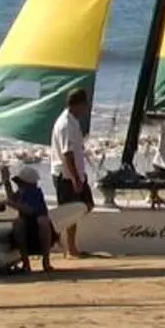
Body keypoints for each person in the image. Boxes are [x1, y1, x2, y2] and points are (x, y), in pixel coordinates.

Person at [50, 89, 94, 260]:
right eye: (85, 105)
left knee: (87, 205)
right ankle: (69, 247)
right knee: (70, 211)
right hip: (66, 175)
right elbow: (67, 153)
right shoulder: (65, 124)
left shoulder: (73, 121)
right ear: (79, 104)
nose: (86, 109)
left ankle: (68, 244)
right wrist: (75, 178)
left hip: (77, 174)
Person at [7, 164, 55, 274]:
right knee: (18, 224)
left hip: (37, 223)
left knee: (43, 221)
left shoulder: (35, 193)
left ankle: (46, 261)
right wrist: (6, 181)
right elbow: (11, 198)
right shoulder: (21, 192)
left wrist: (13, 204)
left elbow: (30, 211)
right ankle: (26, 263)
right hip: (25, 223)